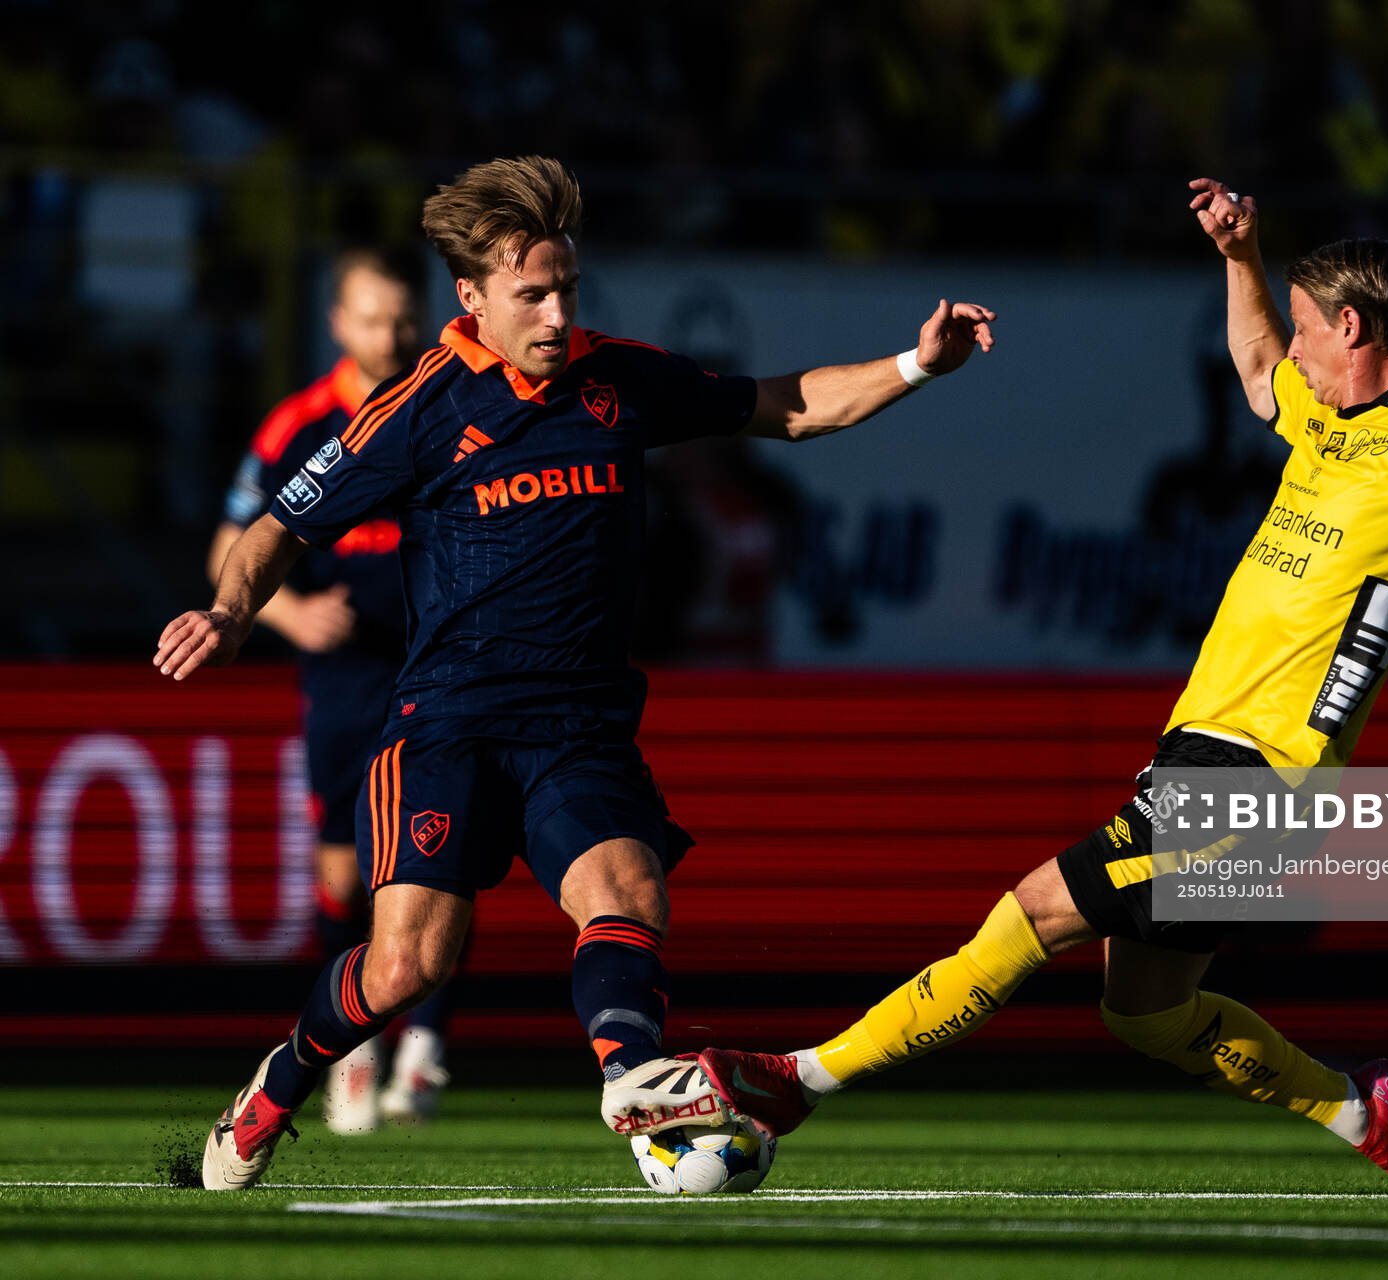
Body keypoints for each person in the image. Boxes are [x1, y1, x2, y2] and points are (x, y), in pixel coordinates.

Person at [695, 176, 1388, 1197]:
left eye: (1310, 325)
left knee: (1035, 909)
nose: (1295, 354)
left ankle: (798, 1078)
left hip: (1264, 783)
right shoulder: (1325, 416)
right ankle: (1353, 1104)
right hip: (1201, 757)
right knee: (1146, 1014)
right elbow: (1253, 366)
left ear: (1356, 328)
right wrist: (1241, 252)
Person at [158, 155, 996, 1190]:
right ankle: (279, 1084)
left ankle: (632, 1072)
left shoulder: (618, 378)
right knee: (405, 966)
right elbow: (278, 524)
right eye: (533, 295)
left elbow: (788, 405)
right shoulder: (415, 411)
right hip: (447, 723)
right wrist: (230, 608)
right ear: (470, 298)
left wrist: (913, 365)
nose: (558, 314)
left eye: (568, 289)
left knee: (627, 887)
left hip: (578, 723)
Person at [208, 246, 461, 1135]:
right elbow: (226, 552)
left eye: (401, 317)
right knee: (343, 873)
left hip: (436, 666)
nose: (389, 334)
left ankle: (423, 1048)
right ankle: (352, 1045)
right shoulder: (298, 426)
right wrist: (292, 615)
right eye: (370, 317)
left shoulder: (448, 399)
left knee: (434, 855)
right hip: (345, 676)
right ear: (336, 323)